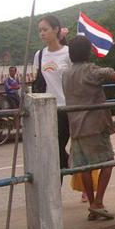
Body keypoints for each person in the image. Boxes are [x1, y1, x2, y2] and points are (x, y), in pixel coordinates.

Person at [62, 35, 115, 221]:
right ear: (88, 53)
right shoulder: (91, 70)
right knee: (108, 162)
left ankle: (92, 204)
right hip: (95, 126)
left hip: (76, 127)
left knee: (85, 167)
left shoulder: (66, 74)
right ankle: (98, 202)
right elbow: (113, 74)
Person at [33, 15, 71, 175]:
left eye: (45, 29)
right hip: (47, 109)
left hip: (66, 108)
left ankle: (75, 172)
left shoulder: (68, 53)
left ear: (56, 30)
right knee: (52, 149)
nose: (42, 33)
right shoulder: (39, 55)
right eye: (40, 30)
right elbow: (37, 80)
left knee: (58, 147)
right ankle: (72, 172)